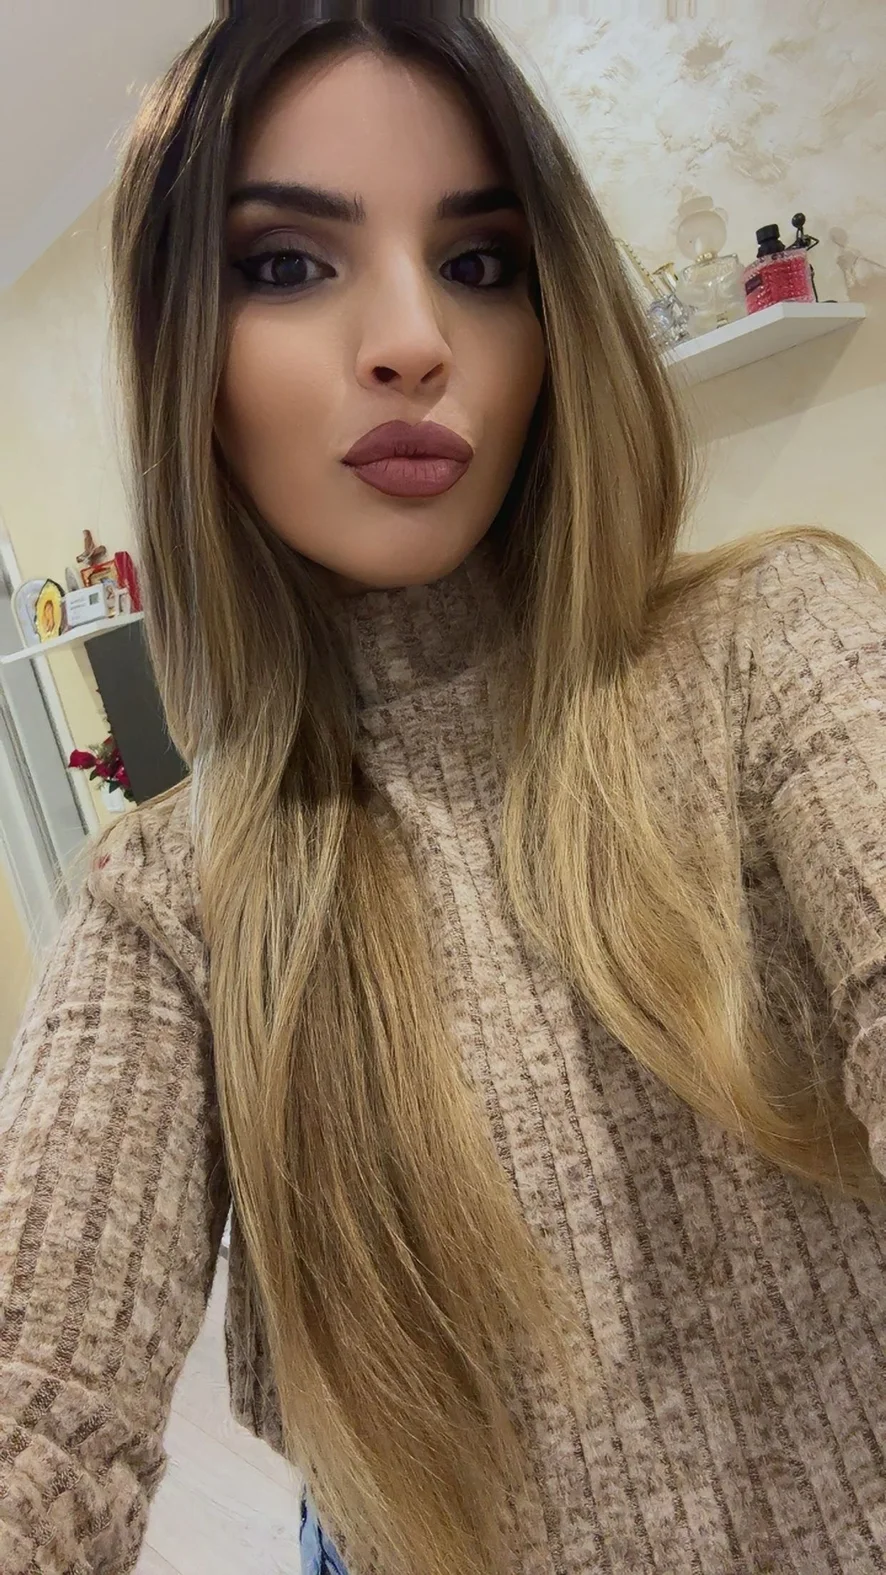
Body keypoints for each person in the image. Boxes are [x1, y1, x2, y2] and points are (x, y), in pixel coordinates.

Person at [1, 4, 885, 1573]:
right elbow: (38, 1410)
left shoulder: (779, 648)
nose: (412, 338)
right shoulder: (171, 901)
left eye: (479, 261)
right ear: (185, 362)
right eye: (289, 262)